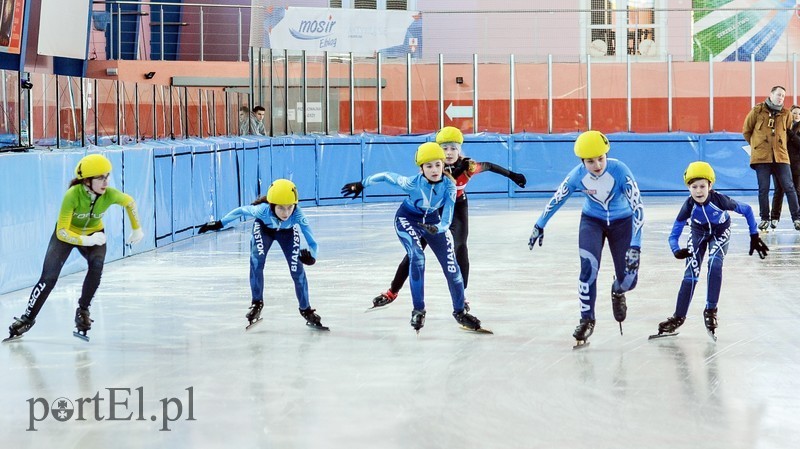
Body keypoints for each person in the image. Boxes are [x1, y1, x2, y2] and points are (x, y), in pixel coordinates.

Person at [370, 126, 527, 309]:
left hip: (458, 206)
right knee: (415, 252)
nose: (449, 152)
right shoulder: (435, 166)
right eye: (444, 148)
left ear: (460, 149)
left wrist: (512, 175)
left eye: (453, 148)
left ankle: (462, 296)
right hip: (434, 210)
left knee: (460, 247)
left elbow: (489, 166)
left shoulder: (468, 166)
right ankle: (392, 292)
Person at [341, 142, 489, 333]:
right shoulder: (411, 183)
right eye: (429, 166)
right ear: (421, 169)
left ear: (443, 165)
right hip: (407, 219)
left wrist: (437, 228)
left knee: (452, 267)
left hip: (433, 223)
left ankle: (460, 311)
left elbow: (447, 219)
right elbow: (386, 176)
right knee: (417, 257)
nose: (435, 170)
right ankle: (418, 309)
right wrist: (362, 184)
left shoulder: (450, 187)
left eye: (437, 164)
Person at [6, 154, 144, 341]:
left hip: (94, 234)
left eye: (107, 176)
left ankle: (83, 310)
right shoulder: (72, 195)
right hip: (68, 235)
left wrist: (137, 229)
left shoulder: (110, 194)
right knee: (49, 278)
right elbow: (62, 231)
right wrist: (87, 240)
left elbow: (130, 202)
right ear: (87, 181)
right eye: (100, 177)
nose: (106, 182)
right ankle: (27, 318)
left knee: (97, 265)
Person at [528, 130, 643, 347]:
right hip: (592, 221)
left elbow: (637, 207)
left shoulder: (620, 171)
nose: (598, 165)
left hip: (623, 224)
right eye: (590, 161)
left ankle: (618, 290)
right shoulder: (577, 175)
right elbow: (558, 197)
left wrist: (636, 244)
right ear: (582, 162)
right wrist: (539, 224)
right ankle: (586, 320)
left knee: (630, 280)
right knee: (588, 267)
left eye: (601, 158)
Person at [653, 162, 768, 340]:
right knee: (690, 274)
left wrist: (754, 235)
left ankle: (711, 310)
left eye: (702, 186)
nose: (698, 191)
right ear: (688, 188)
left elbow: (746, 210)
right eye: (694, 187)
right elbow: (673, 235)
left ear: (710, 186)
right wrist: (676, 250)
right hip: (698, 233)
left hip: (720, 231)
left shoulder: (720, 200)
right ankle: (678, 317)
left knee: (715, 264)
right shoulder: (688, 206)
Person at [197, 179, 326, 330]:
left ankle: (306, 309)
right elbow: (241, 211)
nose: (286, 213)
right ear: (272, 206)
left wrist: (312, 257)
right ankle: (257, 303)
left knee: (297, 269)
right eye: (281, 208)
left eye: (290, 207)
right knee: (257, 261)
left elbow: (311, 239)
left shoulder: (297, 214)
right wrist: (220, 223)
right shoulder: (262, 210)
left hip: (287, 233)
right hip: (264, 229)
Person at [742, 85, 800, 231]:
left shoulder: (787, 114)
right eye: (778, 94)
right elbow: (746, 131)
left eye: (783, 96)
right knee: (764, 189)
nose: (781, 98)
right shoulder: (757, 111)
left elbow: (786, 132)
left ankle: (797, 218)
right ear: (771, 94)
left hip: (781, 157)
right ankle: (764, 218)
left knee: (789, 187)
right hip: (762, 158)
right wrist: (757, 146)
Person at [768, 104, 800, 228]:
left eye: (799, 113)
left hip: (796, 166)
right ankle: (774, 218)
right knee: (778, 191)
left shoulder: (792, 130)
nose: (797, 115)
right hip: (780, 163)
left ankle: (798, 218)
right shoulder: (782, 127)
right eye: (794, 113)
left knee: (796, 191)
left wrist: (791, 134)